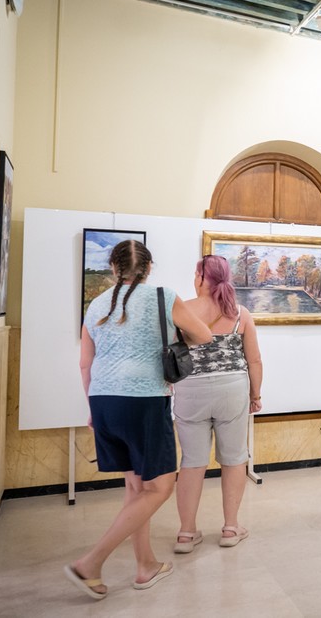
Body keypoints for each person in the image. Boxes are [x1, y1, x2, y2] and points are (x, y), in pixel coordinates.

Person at [66, 240, 212, 600]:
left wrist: (92, 408)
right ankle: (91, 562)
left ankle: (145, 566)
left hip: (103, 401)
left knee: (136, 489)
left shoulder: (96, 304)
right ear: (148, 269)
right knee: (160, 487)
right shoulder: (162, 296)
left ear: (113, 269)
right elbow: (205, 335)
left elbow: (85, 362)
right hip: (144, 399)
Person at [173, 255, 263, 553]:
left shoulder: (181, 310)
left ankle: (186, 534)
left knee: (192, 461)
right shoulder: (240, 313)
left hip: (190, 391)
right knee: (235, 458)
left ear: (200, 277)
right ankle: (230, 527)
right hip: (232, 389)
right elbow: (254, 360)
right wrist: (256, 395)